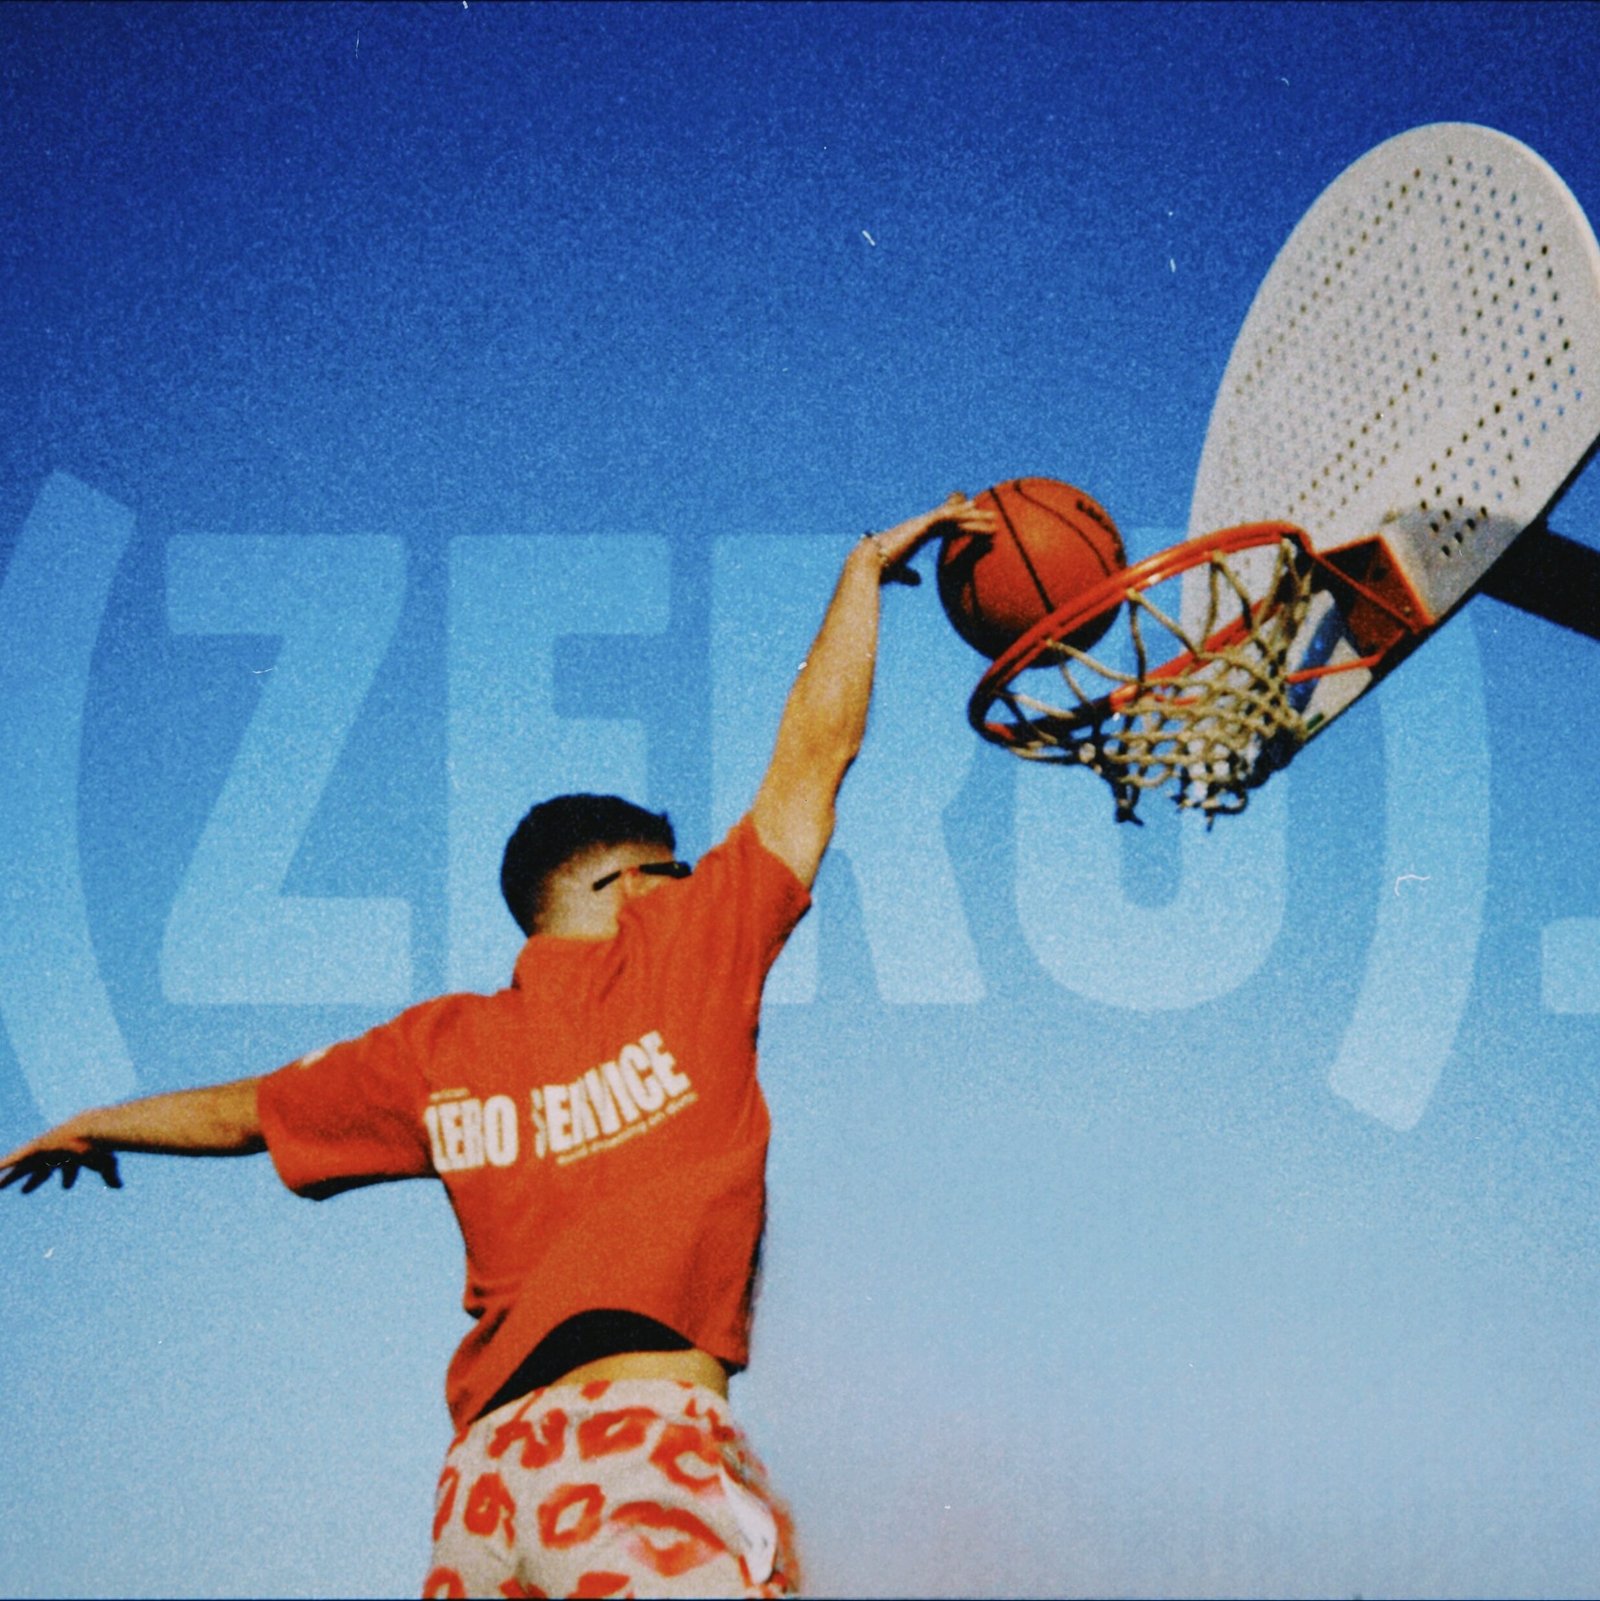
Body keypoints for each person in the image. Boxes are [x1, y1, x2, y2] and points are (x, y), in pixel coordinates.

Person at [1, 493, 996, 1599]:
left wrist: (97, 1116)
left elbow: (249, 1109)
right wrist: (859, 575)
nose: (690, 881)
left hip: (485, 1481)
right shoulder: (682, 944)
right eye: (669, 870)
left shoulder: (440, 1047)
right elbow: (816, 753)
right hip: (638, 1447)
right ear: (626, 884)